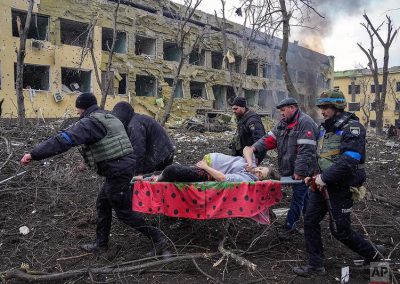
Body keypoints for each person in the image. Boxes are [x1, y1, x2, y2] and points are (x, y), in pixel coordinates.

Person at [20, 92, 169, 256]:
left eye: (78, 111)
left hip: (118, 170)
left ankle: (158, 238)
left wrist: (34, 154)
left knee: (124, 212)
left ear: (83, 109)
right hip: (122, 168)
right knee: (103, 203)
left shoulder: (90, 123)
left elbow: (63, 140)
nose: (78, 114)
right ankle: (101, 244)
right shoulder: (107, 116)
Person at [293, 90, 384, 277]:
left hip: (340, 187)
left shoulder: (353, 128)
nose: (322, 111)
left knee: (340, 231)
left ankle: (375, 256)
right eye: (321, 107)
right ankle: (316, 265)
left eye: (326, 107)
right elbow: (320, 156)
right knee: (310, 221)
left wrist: (324, 178)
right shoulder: (325, 128)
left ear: (337, 107)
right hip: (321, 185)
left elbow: (350, 159)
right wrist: (312, 175)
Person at [243, 97, 319, 236]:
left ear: (292, 108)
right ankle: (311, 221)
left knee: (298, 197)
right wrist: (254, 148)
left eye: (283, 110)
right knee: (304, 196)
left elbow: (306, 151)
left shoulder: (305, 122)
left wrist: (300, 172)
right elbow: (269, 139)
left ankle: (289, 227)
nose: (281, 114)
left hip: (304, 169)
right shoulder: (283, 124)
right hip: (290, 168)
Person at [112, 101, 175, 175]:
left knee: (143, 178)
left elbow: (138, 150)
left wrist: (137, 173)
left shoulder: (134, 125)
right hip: (164, 152)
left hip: (160, 155)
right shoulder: (137, 120)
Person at [157, 153, 279, 183]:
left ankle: (156, 180)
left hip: (206, 173)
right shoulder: (251, 165)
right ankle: (153, 177)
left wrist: (205, 166)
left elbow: (222, 178)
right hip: (206, 166)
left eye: (259, 174)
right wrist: (250, 163)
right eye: (260, 168)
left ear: (259, 180)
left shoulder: (246, 179)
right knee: (168, 171)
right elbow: (248, 148)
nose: (257, 170)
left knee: (171, 170)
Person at [230, 97, 266, 165]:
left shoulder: (253, 120)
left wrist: (255, 158)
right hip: (243, 154)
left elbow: (259, 140)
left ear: (243, 107)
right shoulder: (242, 117)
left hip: (251, 156)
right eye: (233, 109)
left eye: (236, 109)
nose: (233, 111)